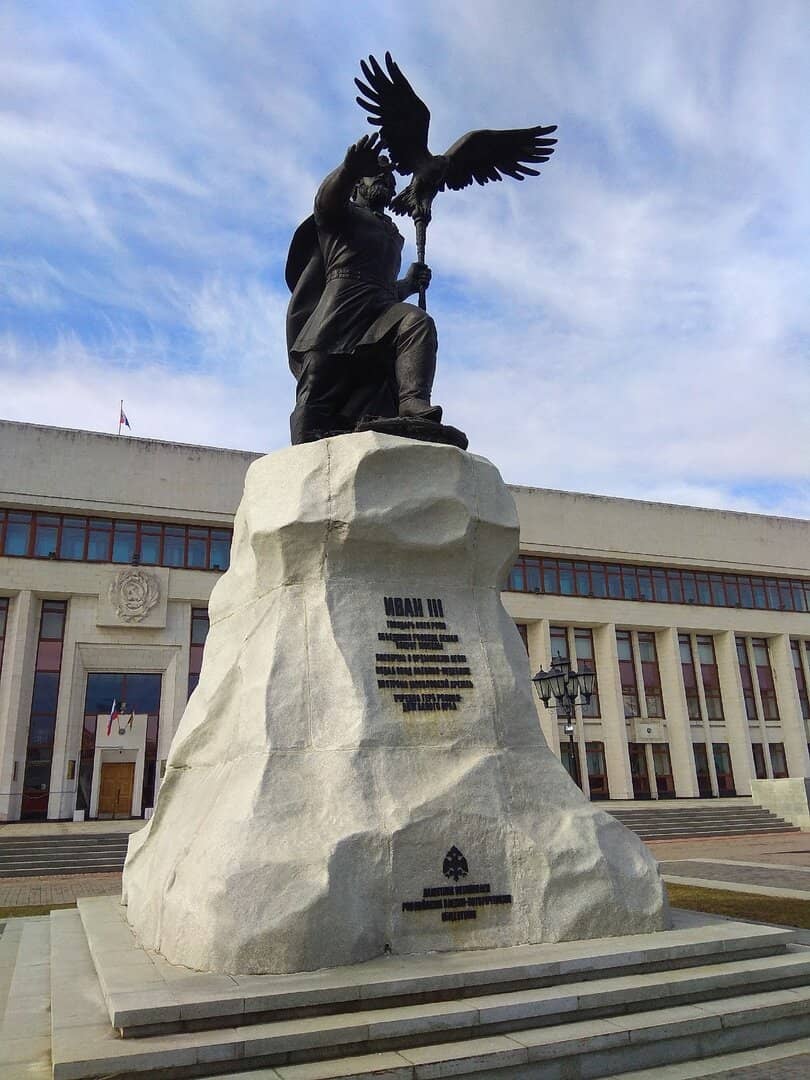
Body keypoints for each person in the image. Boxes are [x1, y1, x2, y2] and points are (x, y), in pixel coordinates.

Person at [285, 133, 442, 445]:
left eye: (391, 179)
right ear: (357, 185)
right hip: (340, 309)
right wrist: (348, 170)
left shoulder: (393, 233)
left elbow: (381, 289)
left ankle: (412, 401)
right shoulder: (341, 215)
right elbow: (325, 200)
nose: (386, 181)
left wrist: (408, 285)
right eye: (377, 176)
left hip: (380, 308)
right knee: (319, 380)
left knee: (416, 323)